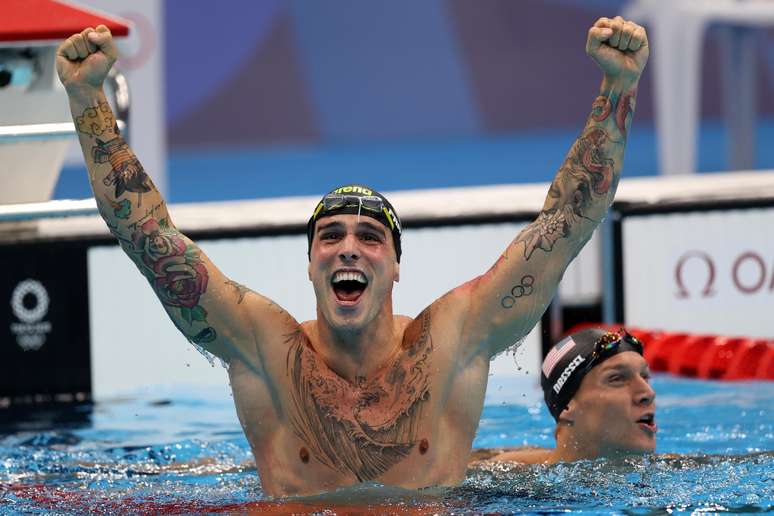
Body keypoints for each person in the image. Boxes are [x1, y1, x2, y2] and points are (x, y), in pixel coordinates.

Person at [55, 16, 649, 497]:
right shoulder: (263, 346)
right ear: (311, 262)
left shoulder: (453, 340)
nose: (348, 248)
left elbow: (566, 223)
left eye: (370, 239)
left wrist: (617, 89)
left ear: (394, 266)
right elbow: (149, 237)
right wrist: (88, 100)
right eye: (331, 236)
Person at [472, 328, 656, 465]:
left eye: (645, 376)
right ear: (568, 406)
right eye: (616, 379)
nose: (648, 393)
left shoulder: (676, 471)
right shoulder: (502, 481)